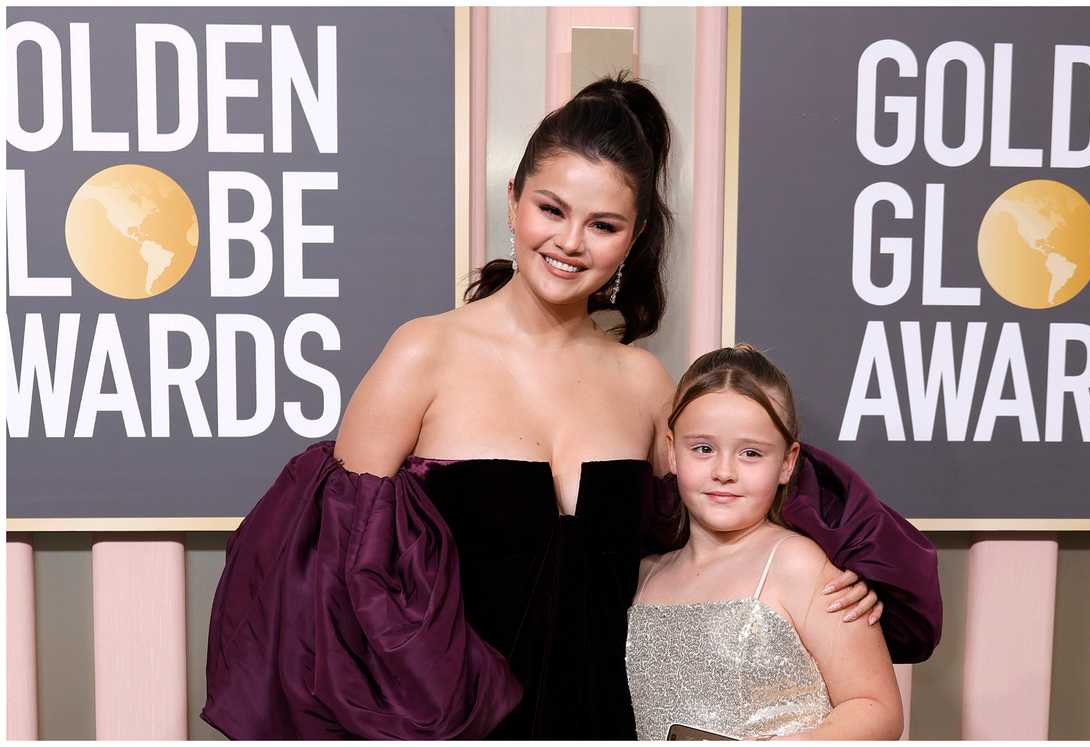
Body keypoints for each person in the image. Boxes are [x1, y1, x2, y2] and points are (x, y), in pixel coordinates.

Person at [202, 74, 938, 740]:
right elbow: (329, 582)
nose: (569, 242)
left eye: (603, 225)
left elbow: (722, 516)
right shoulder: (421, 355)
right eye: (551, 208)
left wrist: (841, 581)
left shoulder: (647, 383)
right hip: (458, 727)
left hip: (614, 722)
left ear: (635, 236)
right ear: (515, 196)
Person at [626, 345, 908, 740]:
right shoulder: (644, 576)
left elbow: (876, 708)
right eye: (703, 449)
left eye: (751, 453)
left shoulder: (797, 564)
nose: (724, 471)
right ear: (673, 452)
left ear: (788, 462)